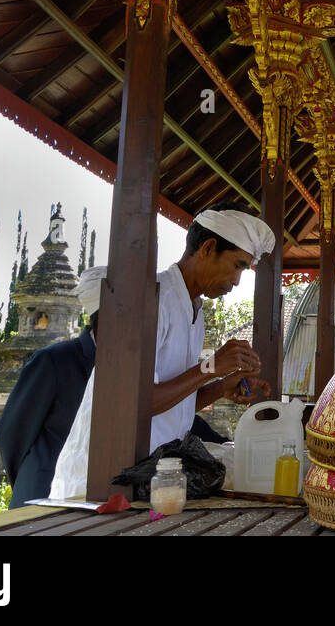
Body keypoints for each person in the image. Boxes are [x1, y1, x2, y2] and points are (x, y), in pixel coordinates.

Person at [49, 204, 275, 500]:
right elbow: (137, 405)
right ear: (208, 248)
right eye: (237, 266)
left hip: (152, 478)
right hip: (103, 481)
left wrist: (220, 387)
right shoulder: (152, 300)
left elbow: (172, 407)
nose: (236, 281)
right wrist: (210, 367)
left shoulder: (194, 310)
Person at [0, 270, 99, 507]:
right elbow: (12, 432)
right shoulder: (53, 360)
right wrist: (30, 476)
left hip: (91, 496)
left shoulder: (123, 365)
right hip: (43, 491)